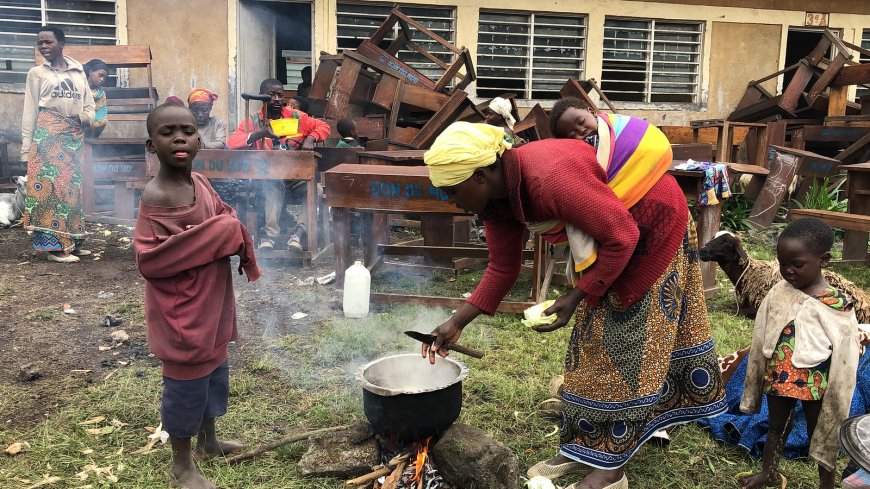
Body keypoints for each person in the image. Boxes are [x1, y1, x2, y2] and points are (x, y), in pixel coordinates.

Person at [422, 122, 726, 489]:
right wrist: (457, 322)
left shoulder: (549, 179)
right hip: (612, 234)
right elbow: (503, 266)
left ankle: (611, 467)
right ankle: (582, 447)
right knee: (589, 345)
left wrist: (575, 295)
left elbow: (624, 236)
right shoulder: (497, 201)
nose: (450, 201)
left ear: (481, 175)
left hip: (651, 225)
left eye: (452, 191)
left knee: (629, 347)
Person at [134, 103, 261, 489]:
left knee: (214, 370)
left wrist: (226, 227)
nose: (179, 138)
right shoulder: (157, 195)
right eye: (167, 132)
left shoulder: (200, 182)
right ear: (151, 144)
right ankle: (182, 463)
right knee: (187, 383)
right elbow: (151, 260)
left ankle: (208, 441)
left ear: (199, 138)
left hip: (213, 297)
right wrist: (221, 232)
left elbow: (224, 215)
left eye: (187, 131)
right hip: (181, 305)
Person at [738, 218, 860, 489]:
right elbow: (761, 332)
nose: (788, 271)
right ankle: (769, 472)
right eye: (782, 263)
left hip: (816, 383)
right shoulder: (779, 293)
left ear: (823, 260)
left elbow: (846, 354)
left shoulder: (835, 304)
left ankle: (826, 484)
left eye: (797, 264)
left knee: (823, 433)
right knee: (776, 427)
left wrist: (838, 389)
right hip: (779, 376)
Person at [227, 78, 330, 251]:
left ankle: (298, 233)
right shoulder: (253, 120)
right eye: (271, 95)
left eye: (279, 95)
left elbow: (323, 126)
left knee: (315, 189)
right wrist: (259, 134)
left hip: (295, 179)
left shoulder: (297, 116)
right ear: (261, 97)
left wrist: (312, 137)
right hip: (266, 181)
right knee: (273, 184)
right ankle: (270, 236)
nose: (276, 99)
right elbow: (232, 142)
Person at [21, 26, 95, 263]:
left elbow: (89, 105)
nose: (43, 47)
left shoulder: (78, 71)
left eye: (48, 42)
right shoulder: (36, 73)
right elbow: (30, 111)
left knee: (72, 189)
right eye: (39, 43)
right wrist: (26, 147)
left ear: (61, 43)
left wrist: (83, 119)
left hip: (73, 137)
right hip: (47, 137)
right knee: (51, 190)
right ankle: (53, 247)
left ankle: (72, 242)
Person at [83, 58, 109, 139]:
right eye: (100, 75)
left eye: (104, 78)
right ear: (90, 72)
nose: (102, 80)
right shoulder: (78, 89)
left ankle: (91, 144)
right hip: (76, 123)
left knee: (102, 121)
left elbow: (101, 114)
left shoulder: (101, 94)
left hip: (91, 128)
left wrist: (90, 120)